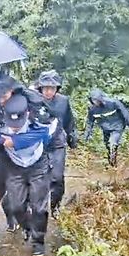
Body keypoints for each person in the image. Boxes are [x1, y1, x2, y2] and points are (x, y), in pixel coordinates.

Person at [0, 71, 56, 232]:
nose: (1, 100)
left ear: (12, 90)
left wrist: (17, 142)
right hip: (3, 147)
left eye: (4, 96)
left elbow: (45, 129)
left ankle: (29, 219)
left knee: (27, 188)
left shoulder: (32, 101)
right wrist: (1, 142)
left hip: (31, 149)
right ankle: (2, 196)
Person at [0, 94, 56, 256]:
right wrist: (1, 139)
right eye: (12, 124)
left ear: (26, 114)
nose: (15, 127)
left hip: (38, 165)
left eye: (18, 123)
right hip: (14, 167)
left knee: (38, 206)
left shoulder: (38, 118)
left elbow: (45, 133)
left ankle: (38, 241)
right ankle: (27, 227)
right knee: (16, 206)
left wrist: (17, 141)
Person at [36, 70, 77, 218]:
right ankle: (38, 208)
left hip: (58, 143)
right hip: (39, 145)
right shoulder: (34, 100)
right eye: (45, 88)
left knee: (57, 177)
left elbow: (69, 120)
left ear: (56, 89)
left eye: (51, 88)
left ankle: (55, 206)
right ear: (40, 88)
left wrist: (72, 136)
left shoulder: (63, 101)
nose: (48, 91)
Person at [84, 88, 129, 167]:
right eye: (94, 100)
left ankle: (113, 163)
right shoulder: (92, 109)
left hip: (117, 127)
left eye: (97, 100)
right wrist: (86, 136)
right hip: (106, 129)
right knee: (108, 146)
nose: (96, 102)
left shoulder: (113, 103)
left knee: (112, 143)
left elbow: (125, 114)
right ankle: (112, 164)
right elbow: (90, 122)